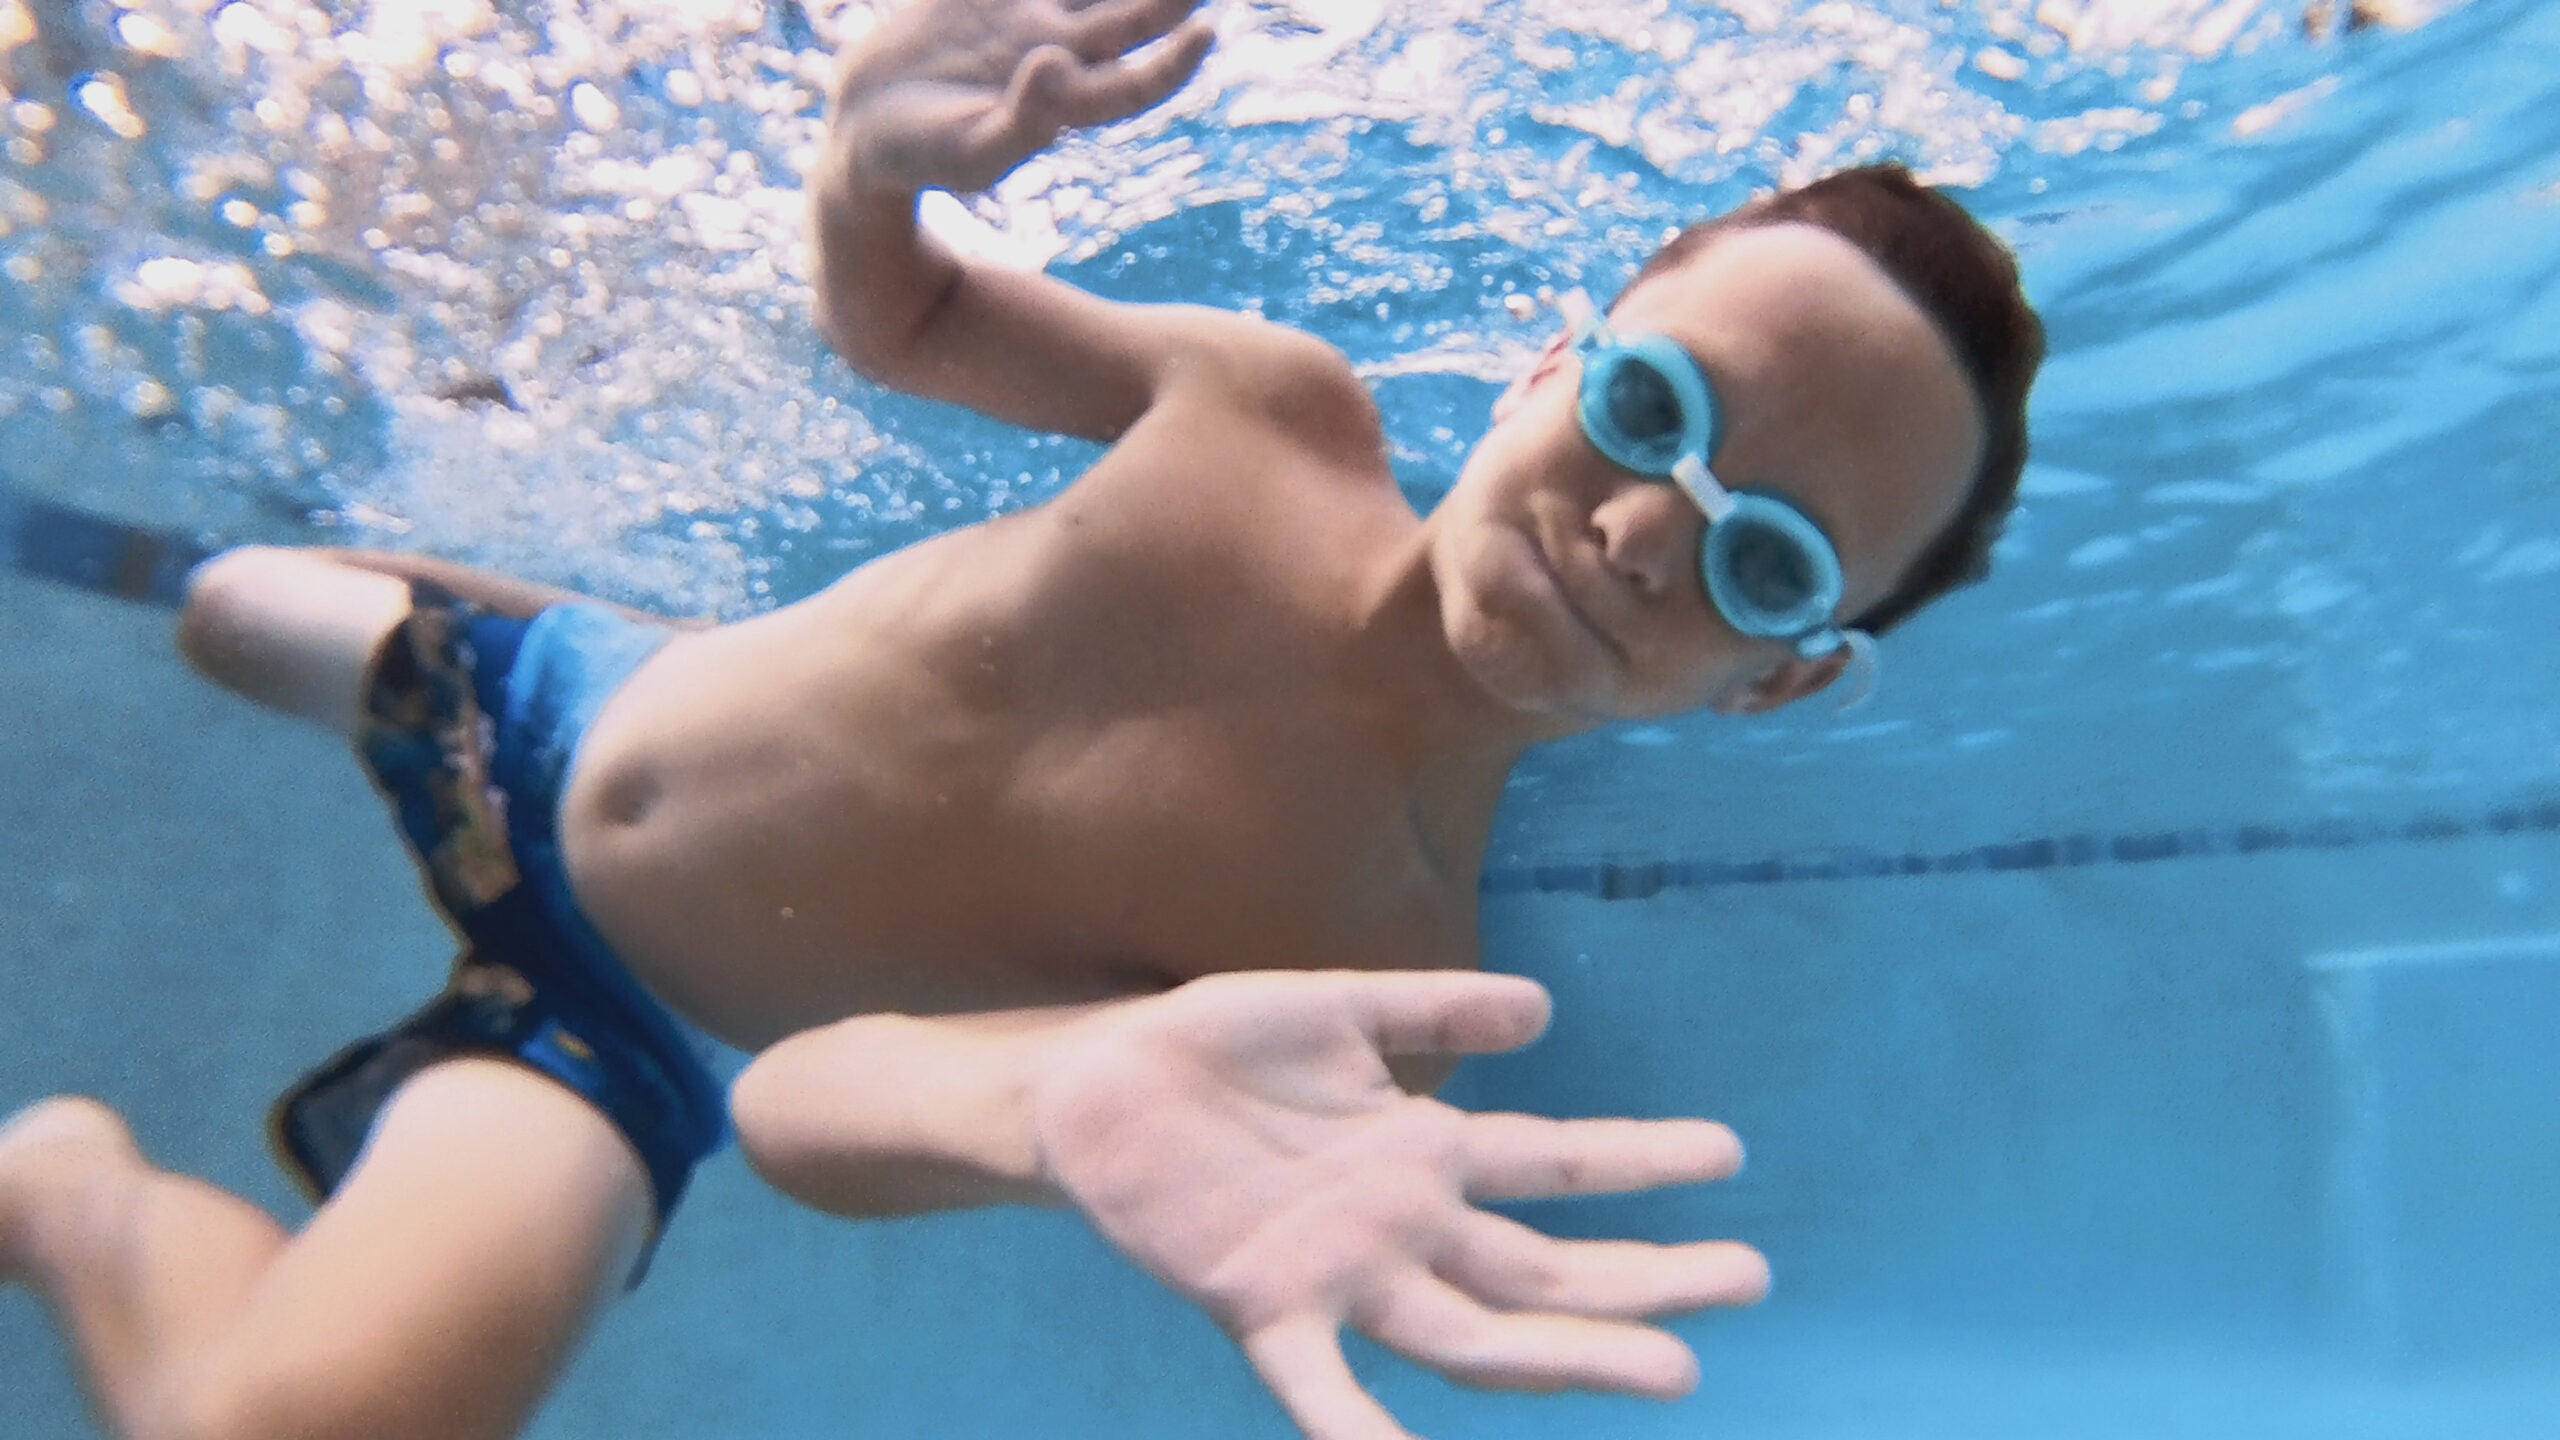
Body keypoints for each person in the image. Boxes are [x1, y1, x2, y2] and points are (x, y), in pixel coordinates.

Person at [0, 0, 2044, 1431]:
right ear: (1541, 362)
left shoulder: (1367, 983)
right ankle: (550, 612)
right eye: (1648, 409)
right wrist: (867, 170)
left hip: (610, 1024)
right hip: (539, 703)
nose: (1630, 532)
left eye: (1759, 558)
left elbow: (811, 1105)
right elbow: (900, 317)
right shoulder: (1261, 415)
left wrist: (1046, 1110)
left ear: (1781, 675)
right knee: (219, 613)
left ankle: (67, 1185)